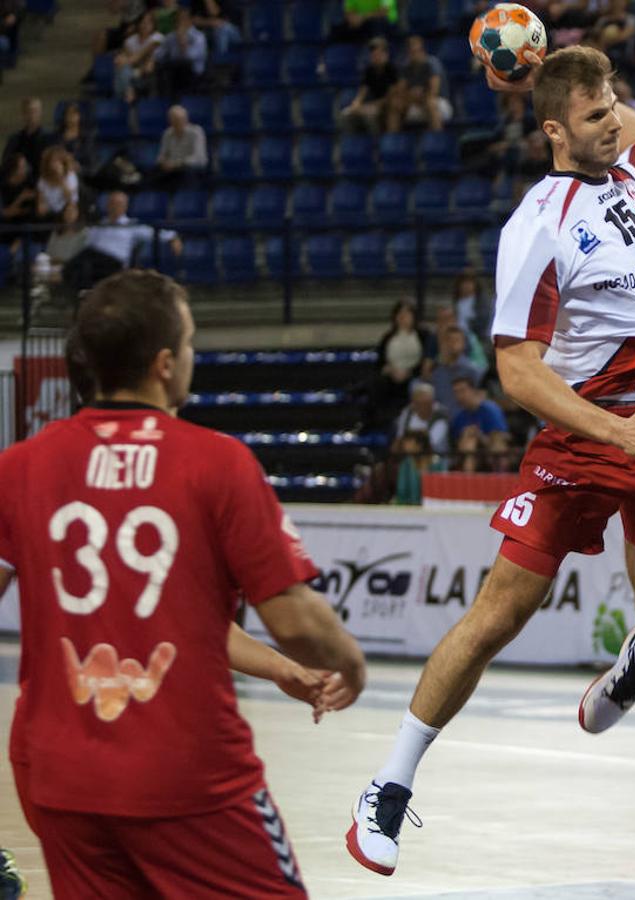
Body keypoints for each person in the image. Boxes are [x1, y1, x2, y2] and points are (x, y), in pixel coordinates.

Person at [345, 44, 635, 877]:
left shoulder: (624, 174)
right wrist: (610, 433)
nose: (614, 119)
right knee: (498, 614)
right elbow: (516, 371)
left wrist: (548, 63)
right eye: (593, 114)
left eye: (614, 101)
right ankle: (388, 785)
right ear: (553, 131)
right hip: (589, 432)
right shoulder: (537, 228)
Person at [0, 269, 368, 899]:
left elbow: (170, 616)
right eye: (191, 342)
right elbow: (297, 620)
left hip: (58, 772)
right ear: (166, 364)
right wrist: (350, 664)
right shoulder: (214, 461)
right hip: (185, 770)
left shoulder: (20, 467)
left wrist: (276, 669)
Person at [63, 191, 183, 292]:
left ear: (125, 206)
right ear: (107, 205)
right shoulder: (99, 226)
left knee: (85, 261)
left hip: (115, 263)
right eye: (112, 203)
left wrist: (173, 237)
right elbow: (87, 244)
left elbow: (156, 233)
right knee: (77, 265)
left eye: (118, 204)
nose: (114, 206)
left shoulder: (131, 226)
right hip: (93, 260)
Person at [390, 35, 453, 133]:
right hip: (417, 104)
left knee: (430, 102)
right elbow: (400, 92)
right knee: (396, 104)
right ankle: (394, 142)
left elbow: (433, 92)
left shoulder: (432, 63)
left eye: (417, 50)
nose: (414, 54)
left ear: (422, 50)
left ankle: (438, 139)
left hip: (440, 104)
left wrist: (418, 95)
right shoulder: (407, 67)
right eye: (411, 51)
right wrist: (412, 96)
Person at [339, 36, 400, 134]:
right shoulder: (369, 70)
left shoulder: (392, 70)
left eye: (379, 53)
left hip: (387, 105)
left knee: (369, 116)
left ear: (386, 54)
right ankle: (352, 143)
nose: (375, 55)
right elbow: (363, 90)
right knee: (346, 114)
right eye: (373, 53)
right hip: (372, 105)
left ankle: (375, 144)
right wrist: (356, 103)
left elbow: (392, 96)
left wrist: (370, 106)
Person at [153, 104, 208, 190]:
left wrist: (177, 164)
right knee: (154, 173)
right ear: (170, 121)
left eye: (179, 120)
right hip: (172, 169)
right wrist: (163, 162)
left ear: (186, 119)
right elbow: (161, 155)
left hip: (191, 168)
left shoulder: (196, 132)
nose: (177, 122)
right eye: (174, 120)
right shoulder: (167, 133)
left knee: (188, 173)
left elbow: (198, 158)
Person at [154, 8, 208, 96]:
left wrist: (182, 41)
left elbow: (189, 57)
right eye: (177, 20)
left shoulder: (199, 37)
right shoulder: (171, 36)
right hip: (173, 72)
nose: (180, 22)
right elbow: (158, 55)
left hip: (194, 73)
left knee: (183, 65)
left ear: (189, 20)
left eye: (183, 19)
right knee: (161, 68)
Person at [113, 10, 163, 102]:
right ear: (138, 24)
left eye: (148, 22)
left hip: (150, 75)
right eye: (143, 22)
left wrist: (129, 61)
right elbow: (127, 60)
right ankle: (127, 93)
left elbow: (140, 59)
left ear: (153, 25)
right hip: (132, 74)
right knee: (120, 67)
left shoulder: (157, 38)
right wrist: (124, 60)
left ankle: (128, 94)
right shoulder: (130, 41)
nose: (145, 25)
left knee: (145, 69)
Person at [393, 381, 450, 456]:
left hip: (436, 458)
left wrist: (408, 445)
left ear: (432, 403)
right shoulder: (407, 413)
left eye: (426, 403)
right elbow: (399, 438)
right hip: (407, 453)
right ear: (414, 403)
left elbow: (428, 444)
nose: (423, 407)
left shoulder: (441, 416)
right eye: (419, 403)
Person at [3, 97, 49, 180]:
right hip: (17, 184)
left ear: (40, 113)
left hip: (41, 183)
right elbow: (6, 164)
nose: (32, 115)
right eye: (28, 111)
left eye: (35, 111)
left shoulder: (49, 139)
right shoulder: (14, 139)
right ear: (23, 114)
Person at [34, 145, 78, 222]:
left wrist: (61, 179)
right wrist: (41, 204)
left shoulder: (70, 176)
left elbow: (70, 199)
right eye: (52, 162)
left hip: (64, 210)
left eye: (57, 162)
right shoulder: (43, 179)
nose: (54, 165)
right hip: (49, 212)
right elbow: (41, 197)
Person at [0, 153, 36, 243]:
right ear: (14, 170)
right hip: (5, 230)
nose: (27, 168)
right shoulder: (3, 184)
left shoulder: (29, 182)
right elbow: (5, 213)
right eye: (23, 166)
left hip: (21, 231)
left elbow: (30, 210)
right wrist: (20, 199)